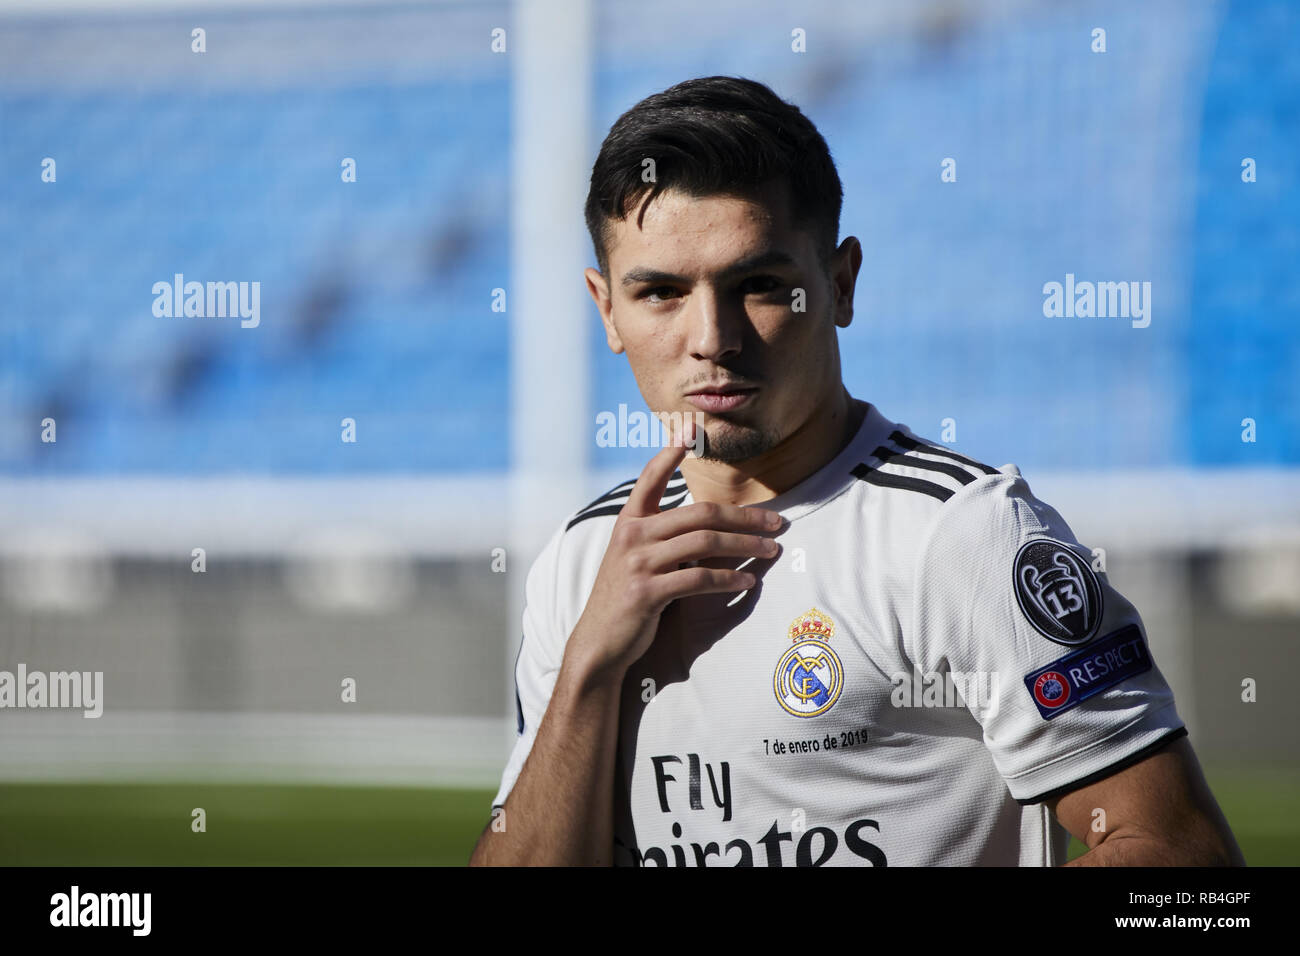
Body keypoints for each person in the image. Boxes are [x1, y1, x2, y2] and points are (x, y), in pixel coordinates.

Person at [469, 75, 1243, 866]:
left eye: (759, 286)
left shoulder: (961, 535)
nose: (712, 338)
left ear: (839, 284)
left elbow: (1183, 863)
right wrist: (588, 672)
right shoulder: (581, 563)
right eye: (661, 292)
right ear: (607, 311)